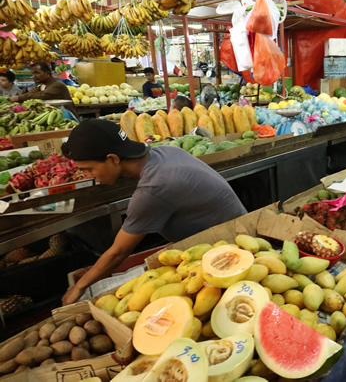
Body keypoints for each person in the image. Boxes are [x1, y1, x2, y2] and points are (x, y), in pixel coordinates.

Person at [60, 119, 247, 304]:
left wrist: (78, 288)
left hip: (230, 253)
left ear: (113, 159)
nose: (87, 176)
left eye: (88, 169)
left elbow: (118, 252)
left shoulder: (153, 188)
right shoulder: (167, 151)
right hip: (237, 230)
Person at [11, 63, 78, 118]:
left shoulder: (57, 85)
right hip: (51, 116)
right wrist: (27, 90)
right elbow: (33, 94)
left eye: (37, 73)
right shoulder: (41, 85)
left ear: (47, 73)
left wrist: (18, 98)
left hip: (66, 116)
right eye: (33, 74)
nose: (34, 76)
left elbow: (43, 95)